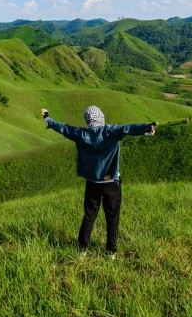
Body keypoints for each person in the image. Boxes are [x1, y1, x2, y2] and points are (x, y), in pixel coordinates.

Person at [41, 105, 156, 257]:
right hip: (112, 185)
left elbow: (63, 128)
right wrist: (148, 127)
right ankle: (111, 252)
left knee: (89, 216)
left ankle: (81, 250)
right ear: (101, 118)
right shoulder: (110, 131)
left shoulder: (81, 134)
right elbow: (128, 128)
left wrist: (47, 118)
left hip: (92, 184)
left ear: (88, 120)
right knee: (112, 218)